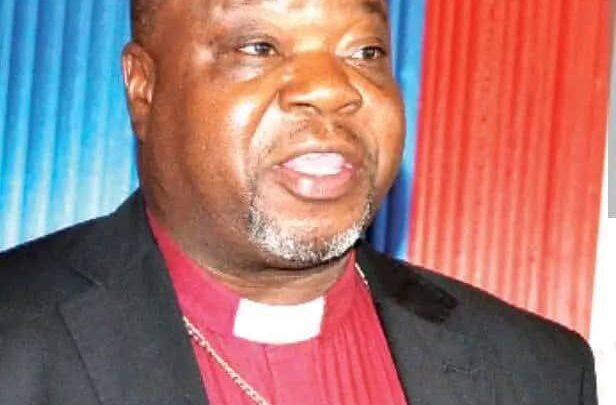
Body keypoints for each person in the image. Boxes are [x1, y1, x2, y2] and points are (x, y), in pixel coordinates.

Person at [0, 0, 597, 404]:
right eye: (259, 47)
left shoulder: (539, 373)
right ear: (143, 86)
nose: (331, 89)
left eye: (365, 52)